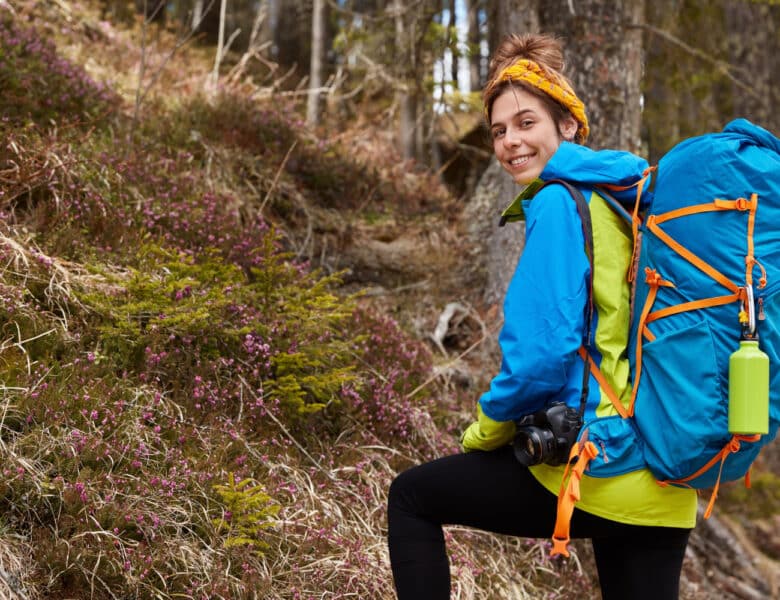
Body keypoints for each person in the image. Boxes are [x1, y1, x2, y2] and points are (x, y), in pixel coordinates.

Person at [387, 33, 698, 600]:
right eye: (499, 130)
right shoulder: (623, 203)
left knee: (411, 498)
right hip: (664, 477)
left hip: (596, 464)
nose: (510, 142)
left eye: (526, 123)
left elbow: (540, 356)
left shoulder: (559, 201)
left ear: (569, 125)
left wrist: (486, 430)